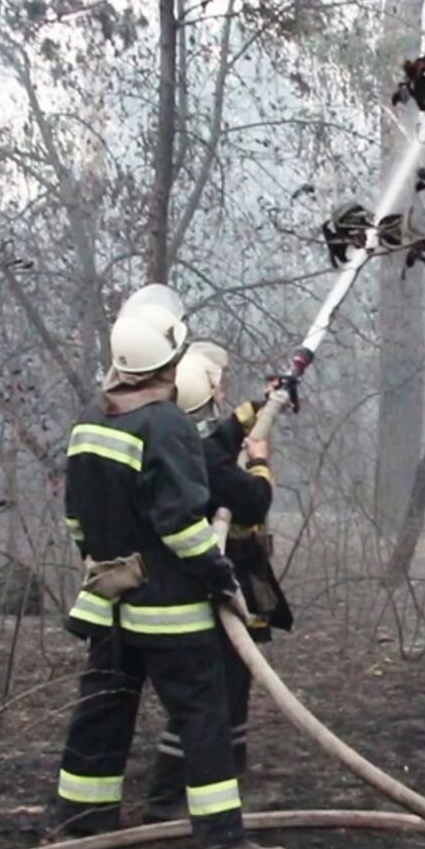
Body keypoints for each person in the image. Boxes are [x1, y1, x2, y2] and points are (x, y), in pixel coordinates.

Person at [55, 287, 288, 849]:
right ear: (170, 362)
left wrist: (105, 565)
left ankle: (83, 829)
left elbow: (77, 519)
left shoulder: (89, 421)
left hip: (109, 601)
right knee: (203, 715)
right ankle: (224, 841)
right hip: (170, 609)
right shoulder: (167, 427)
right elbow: (181, 524)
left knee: (103, 711)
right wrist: (219, 578)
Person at [143, 341, 294, 824]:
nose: (221, 390)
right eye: (217, 383)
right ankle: (170, 791)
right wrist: (261, 461)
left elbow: (220, 437)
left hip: (221, 580)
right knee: (217, 685)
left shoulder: (186, 440)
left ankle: (230, 767)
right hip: (222, 581)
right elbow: (252, 500)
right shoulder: (200, 455)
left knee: (233, 679)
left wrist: (264, 403)